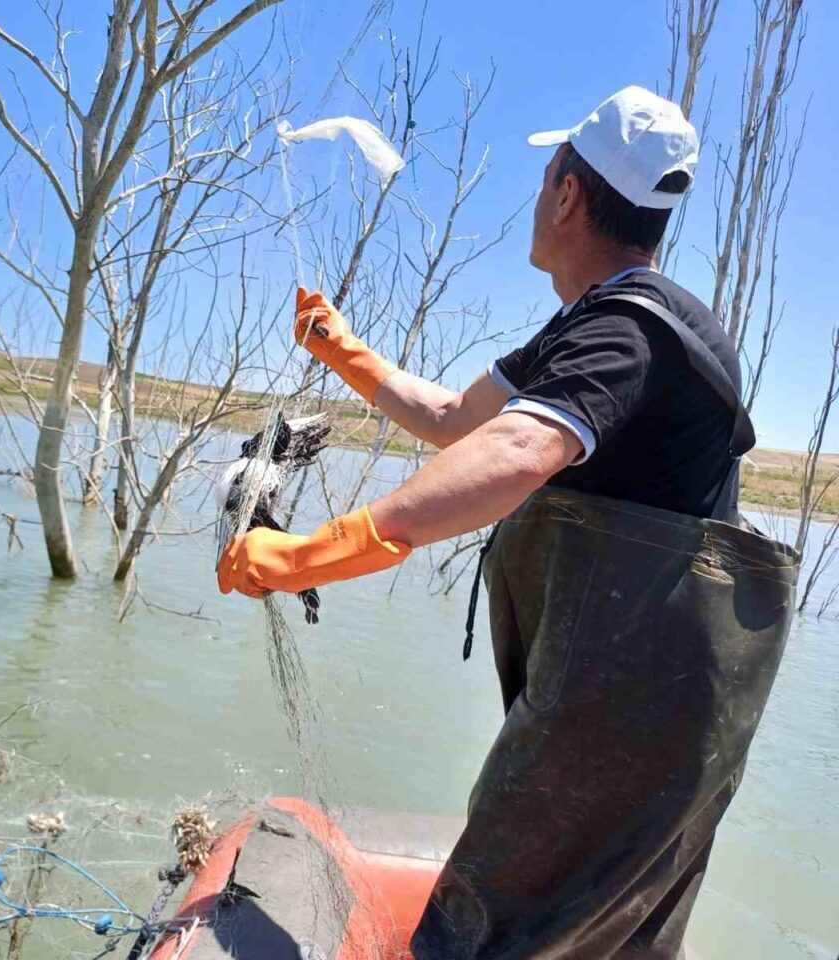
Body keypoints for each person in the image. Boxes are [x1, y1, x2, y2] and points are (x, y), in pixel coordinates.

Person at [217, 86, 799, 959]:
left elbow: (517, 451)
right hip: (655, 716)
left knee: (483, 937)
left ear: (567, 193)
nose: (537, 196)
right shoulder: (598, 325)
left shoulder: (628, 334)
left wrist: (305, 555)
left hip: (629, 725)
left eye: (542, 178)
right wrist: (341, 347)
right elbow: (457, 418)